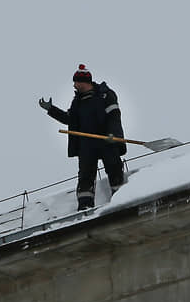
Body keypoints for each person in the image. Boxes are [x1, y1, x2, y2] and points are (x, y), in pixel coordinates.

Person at [39, 64, 126, 210]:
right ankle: (85, 207)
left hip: (107, 140)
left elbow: (114, 116)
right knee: (85, 175)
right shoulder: (77, 102)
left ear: (82, 82)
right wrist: (51, 110)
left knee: (114, 167)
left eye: (75, 82)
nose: (74, 85)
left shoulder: (105, 94)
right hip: (86, 144)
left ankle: (121, 199)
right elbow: (69, 119)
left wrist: (114, 134)